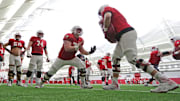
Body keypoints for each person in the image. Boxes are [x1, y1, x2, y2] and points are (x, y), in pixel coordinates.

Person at [98, 5, 178, 93]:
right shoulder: (115, 15)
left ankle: (165, 81)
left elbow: (108, 16)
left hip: (125, 33)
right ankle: (115, 84)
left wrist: (105, 29)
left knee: (132, 59)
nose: (101, 15)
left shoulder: (106, 9)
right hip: (123, 35)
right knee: (115, 58)